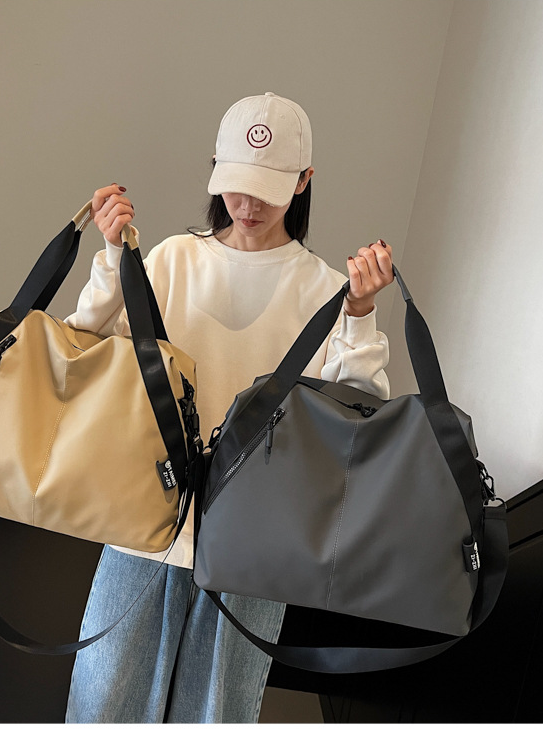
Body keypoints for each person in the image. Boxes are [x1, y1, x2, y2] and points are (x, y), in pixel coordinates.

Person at [64, 92, 394, 724]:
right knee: (103, 704)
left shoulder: (326, 289)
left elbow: (358, 409)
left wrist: (359, 314)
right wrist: (112, 258)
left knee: (217, 714)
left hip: (257, 540)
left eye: (268, 189)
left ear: (303, 181)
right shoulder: (172, 259)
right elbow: (92, 347)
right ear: (216, 171)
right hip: (147, 518)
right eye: (236, 185)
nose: (247, 206)